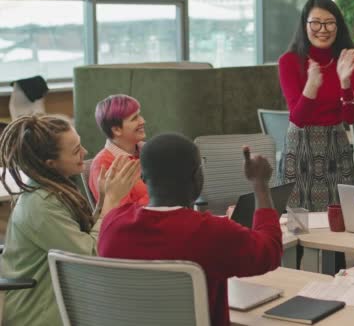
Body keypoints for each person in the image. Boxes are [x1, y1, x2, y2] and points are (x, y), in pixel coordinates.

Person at [98, 133, 283, 326]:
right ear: (197, 177)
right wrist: (260, 184)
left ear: (143, 177)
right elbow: (270, 251)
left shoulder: (112, 226)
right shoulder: (211, 233)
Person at [0, 115, 139, 326]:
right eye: (75, 151)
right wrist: (112, 201)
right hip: (40, 313)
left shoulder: (50, 189)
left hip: (58, 297)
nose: (85, 152)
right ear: (50, 163)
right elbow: (90, 256)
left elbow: (81, 238)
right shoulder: (41, 205)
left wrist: (102, 201)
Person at [278, 0, 354, 212]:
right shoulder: (289, 61)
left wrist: (345, 82)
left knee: (342, 218)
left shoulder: (348, 59)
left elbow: (351, 117)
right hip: (299, 147)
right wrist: (311, 86)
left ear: (338, 25)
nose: (323, 29)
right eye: (316, 22)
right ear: (305, 25)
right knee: (296, 223)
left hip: (336, 145)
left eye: (330, 22)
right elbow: (298, 118)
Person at [89, 94, 148, 206]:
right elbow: (122, 215)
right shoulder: (103, 165)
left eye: (139, 115)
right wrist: (160, 195)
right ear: (116, 130)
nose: (143, 121)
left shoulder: (149, 150)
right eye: (135, 118)